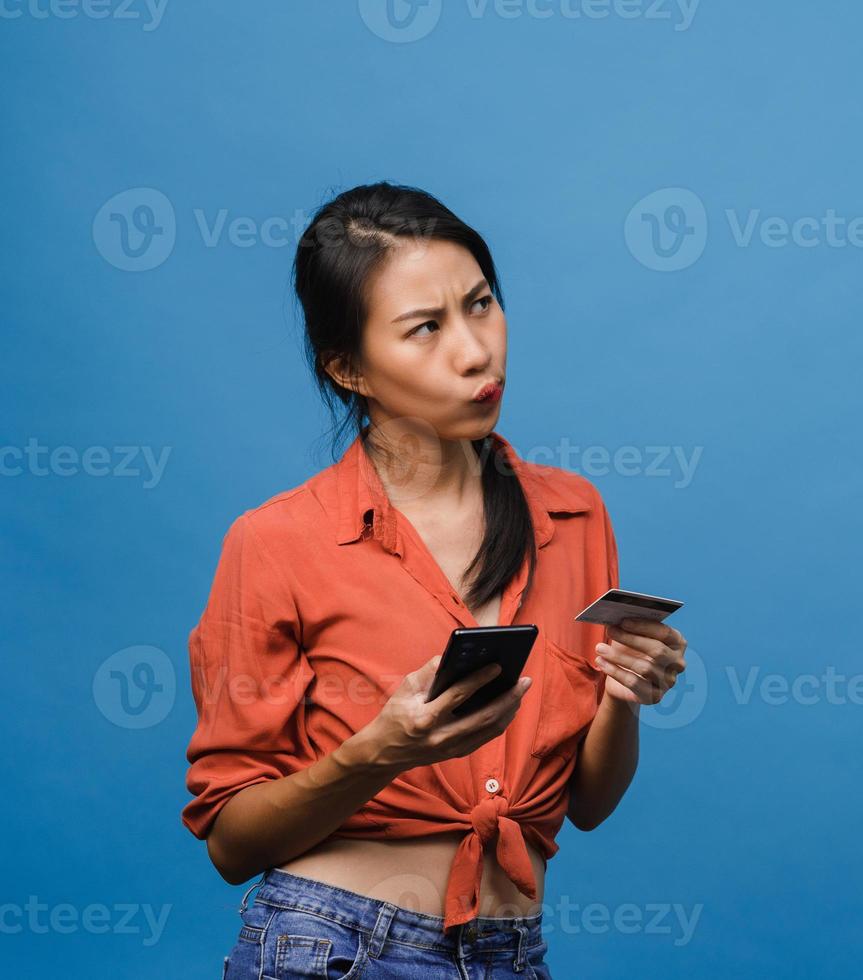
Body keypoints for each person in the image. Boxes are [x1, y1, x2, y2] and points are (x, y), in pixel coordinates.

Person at [180, 181, 688, 978]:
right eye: (426, 329)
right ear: (349, 369)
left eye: (481, 304)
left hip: (511, 953)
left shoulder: (576, 515)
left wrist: (625, 693)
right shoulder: (276, 543)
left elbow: (588, 804)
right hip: (336, 949)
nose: (475, 350)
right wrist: (376, 752)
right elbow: (232, 845)